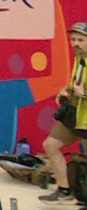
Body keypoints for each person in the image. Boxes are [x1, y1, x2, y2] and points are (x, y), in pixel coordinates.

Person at [38, 21, 87, 206]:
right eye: (73, 39)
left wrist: (83, 93)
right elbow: (76, 81)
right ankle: (64, 190)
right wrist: (66, 90)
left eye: (81, 40)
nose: (76, 43)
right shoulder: (80, 58)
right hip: (75, 114)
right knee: (51, 145)